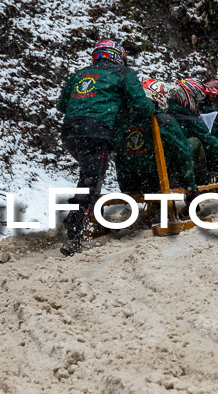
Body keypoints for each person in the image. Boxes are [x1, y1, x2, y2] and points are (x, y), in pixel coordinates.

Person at [56, 39, 154, 256]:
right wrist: (151, 105)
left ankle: (76, 216)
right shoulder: (123, 73)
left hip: (71, 132)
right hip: (98, 131)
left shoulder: (79, 74)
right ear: (119, 56)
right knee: (90, 182)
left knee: (88, 176)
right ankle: (74, 234)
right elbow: (141, 105)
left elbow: (62, 105)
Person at [113, 79, 199, 197]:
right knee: (190, 145)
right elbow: (183, 152)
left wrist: (125, 186)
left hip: (131, 183)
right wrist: (191, 187)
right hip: (158, 181)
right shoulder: (164, 120)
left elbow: (118, 155)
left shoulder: (123, 121)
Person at [166, 78, 218, 185]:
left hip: (162, 169)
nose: (198, 102)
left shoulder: (165, 115)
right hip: (184, 173)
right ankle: (207, 179)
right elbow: (212, 144)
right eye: (197, 99)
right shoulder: (191, 120)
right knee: (196, 143)